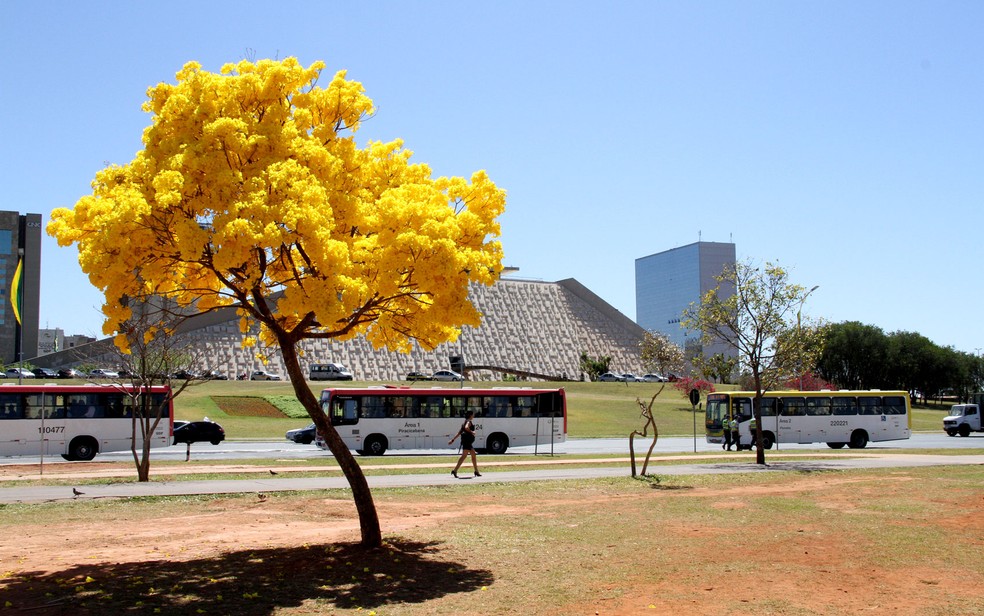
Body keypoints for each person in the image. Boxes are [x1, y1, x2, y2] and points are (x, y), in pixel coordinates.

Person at [449, 410, 481, 478]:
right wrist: (472, 432)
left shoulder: (464, 422)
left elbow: (459, 433)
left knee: (471, 455)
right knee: (467, 456)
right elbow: (466, 428)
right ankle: (455, 470)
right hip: (467, 442)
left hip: (466, 442)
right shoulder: (468, 422)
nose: (473, 416)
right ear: (470, 415)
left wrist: (453, 440)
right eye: (473, 415)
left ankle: (476, 471)